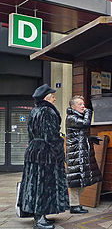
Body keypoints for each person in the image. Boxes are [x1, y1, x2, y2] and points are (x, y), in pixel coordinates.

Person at [17, 84, 69, 229]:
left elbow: (30, 133)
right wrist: (59, 149)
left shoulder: (34, 111)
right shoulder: (47, 112)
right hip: (46, 154)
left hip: (34, 151)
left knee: (35, 183)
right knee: (44, 185)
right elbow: (51, 136)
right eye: (52, 96)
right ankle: (39, 220)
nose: (54, 98)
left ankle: (40, 216)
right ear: (46, 97)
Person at [65, 95, 102, 214]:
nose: (83, 106)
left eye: (83, 104)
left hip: (82, 152)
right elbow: (85, 124)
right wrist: (89, 112)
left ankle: (74, 203)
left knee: (83, 179)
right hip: (76, 153)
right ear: (72, 107)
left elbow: (80, 133)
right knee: (77, 180)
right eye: (80, 104)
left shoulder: (77, 116)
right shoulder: (71, 117)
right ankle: (73, 205)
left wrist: (91, 138)